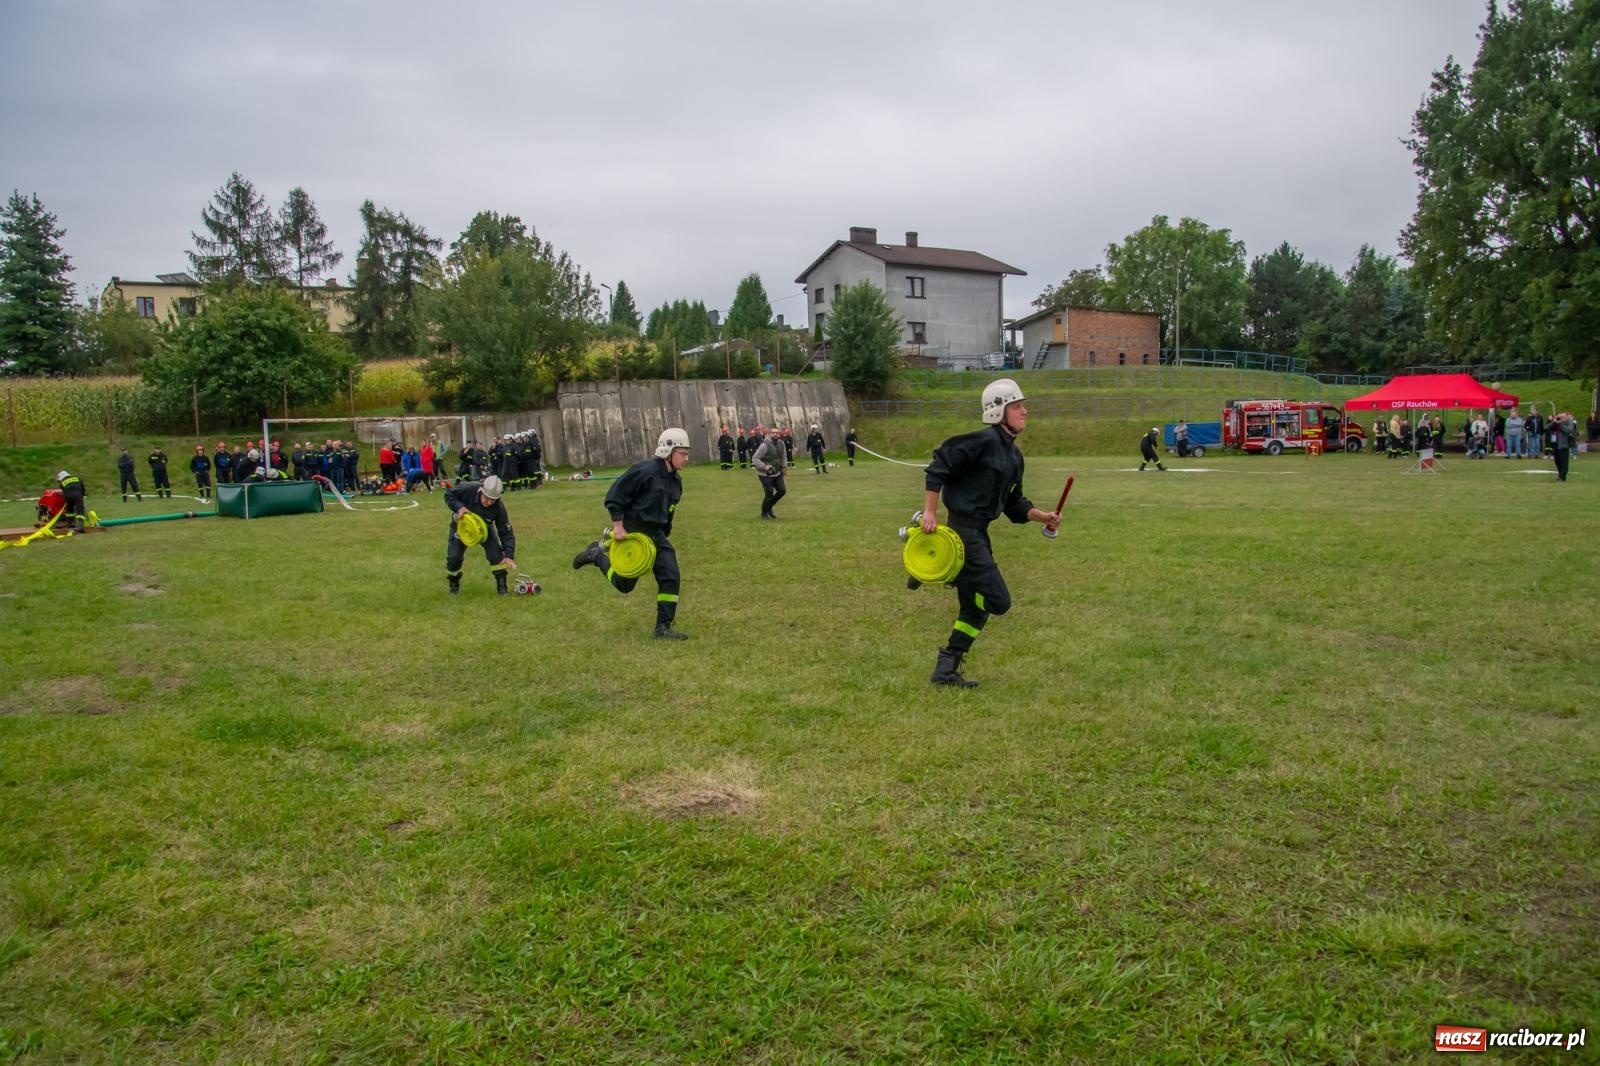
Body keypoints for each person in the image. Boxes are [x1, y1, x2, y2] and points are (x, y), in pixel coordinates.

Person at [919, 378, 1059, 688]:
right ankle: (947, 572)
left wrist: (1043, 516)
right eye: (1017, 406)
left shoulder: (1014, 457)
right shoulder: (980, 441)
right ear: (999, 410)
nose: (1025, 411)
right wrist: (930, 511)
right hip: (962, 531)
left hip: (979, 534)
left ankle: (946, 669)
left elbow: (1014, 504)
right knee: (999, 601)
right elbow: (938, 467)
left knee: (974, 610)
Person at [572, 429, 691, 639]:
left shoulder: (676, 481)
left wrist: (664, 533)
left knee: (671, 576)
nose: (686, 458)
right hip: (633, 533)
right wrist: (618, 526)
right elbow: (615, 495)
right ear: (668, 450)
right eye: (683, 453)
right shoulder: (644, 471)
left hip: (656, 536)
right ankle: (597, 556)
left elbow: (670, 509)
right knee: (624, 585)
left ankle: (663, 628)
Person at [444, 474, 516, 594]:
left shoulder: (499, 507)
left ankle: (502, 588)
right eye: (486, 498)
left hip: (485, 529)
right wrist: (459, 507)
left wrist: (509, 555)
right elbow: (448, 494)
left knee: (496, 556)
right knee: (454, 557)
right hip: (462, 527)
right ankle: (454, 584)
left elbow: (505, 531)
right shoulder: (468, 489)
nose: (488, 502)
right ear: (481, 490)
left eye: (492, 500)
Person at [752, 424, 788, 518]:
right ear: (769, 433)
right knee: (769, 493)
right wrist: (764, 466)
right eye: (773, 433)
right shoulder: (764, 445)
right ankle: (764, 513)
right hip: (765, 474)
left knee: (782, 490)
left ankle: (769, 507)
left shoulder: (781, 443)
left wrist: (784, 467)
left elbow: (783, 456)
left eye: (777, 432)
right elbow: (755, 459)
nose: (775, 434)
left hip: (777, 472)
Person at [1550, 411, 1578, 482]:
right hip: (1556, 445)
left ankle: (1562, 477)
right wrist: (1554, 422)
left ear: (1566, 417)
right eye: (1560, 417)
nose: (1561, 418)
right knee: (1557, 462)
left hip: (1564, 445)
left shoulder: (1569, 422)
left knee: (1564, 463)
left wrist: (1561, 424)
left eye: (1563, 417)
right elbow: (1547, 428)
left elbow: (1568, 430)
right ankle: (1560, 475)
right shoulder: (1557, 423)